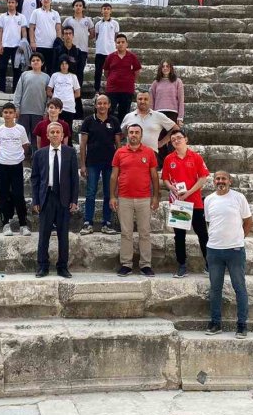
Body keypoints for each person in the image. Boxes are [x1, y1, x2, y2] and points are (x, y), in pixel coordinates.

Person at [204, 171, 253, 339]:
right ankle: (216, 323)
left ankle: (242, 325)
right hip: (214, 250)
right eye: (217, 179)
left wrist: (239, 239)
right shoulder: (209, 200)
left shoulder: (239, 198)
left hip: (235, 251)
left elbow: (248, 221)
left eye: (223, 179)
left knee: (239, 287)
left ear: (230, 181)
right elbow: (210, 222)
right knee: (215, 289)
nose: (220, 181)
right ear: (213, 181)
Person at [110, 123, 159, 277]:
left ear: (141, 135)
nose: (133, 135)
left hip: (144, 198)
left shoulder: (149, 152)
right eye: (131, 132)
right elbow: (113, 176)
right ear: (127, 134)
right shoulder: (120, 152)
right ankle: (126, 264)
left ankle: (145, 265)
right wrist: (112, 196)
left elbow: (154, 176)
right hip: (124, 198)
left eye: (136, 132)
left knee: (145, 232)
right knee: (126, 233)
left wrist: (156, 196)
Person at [32, 122, 78, 278]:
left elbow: (74, 179)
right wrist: (36, 200)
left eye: (58, 132)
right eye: (52, 132)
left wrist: (74, 200)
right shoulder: (40, 154)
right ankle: (42, 266)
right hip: (47, 196)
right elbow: (35, 179)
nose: (55, 134)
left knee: (63, 234)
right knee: (44, 234)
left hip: (64, 198)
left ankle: (62, 266)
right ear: (47, 135)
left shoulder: (70, 152)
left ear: (62, 135)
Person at [162, 129, 210, 278]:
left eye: (179, 138)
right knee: (180, 236)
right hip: (179, 203)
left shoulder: (195, 157)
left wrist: (188, 193)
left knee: (202, 234)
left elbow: (203, 178)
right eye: (173, 139)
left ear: (186, 139)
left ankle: (210, 265)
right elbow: (165, 179)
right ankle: (182, 265)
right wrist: (172, 188)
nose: (176, 141)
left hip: (195, 202)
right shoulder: (169, 159)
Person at [78, 94, 121, 235]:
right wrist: (83, 165)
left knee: (109, 193)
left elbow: (118, 145)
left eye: (105, 103)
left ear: (109, 105)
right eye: (99, 103)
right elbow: (83, 144)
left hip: (110, 164)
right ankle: (88, 223)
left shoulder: (114, 121)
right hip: (92, 163)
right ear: (95, 105)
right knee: (90, 193)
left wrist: (119, 166)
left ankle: (107, 223)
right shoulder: (88, 121)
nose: (102, 106)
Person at [0, 102, 30, 237]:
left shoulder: (21, 129)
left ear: (15, 114)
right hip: (2, 165)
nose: (8, 115)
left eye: (10, 112)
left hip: (17, 165)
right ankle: (6, 223)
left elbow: (25, 145)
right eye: (5, 112)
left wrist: (18, 156)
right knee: (4, 194)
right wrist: (3, 157)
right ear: (2, 114)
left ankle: (23, 224)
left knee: (18, 194)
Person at [150, 61, 185, 165]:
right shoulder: (156, 82)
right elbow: (152, 100)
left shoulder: (177, 82)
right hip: (158, 113)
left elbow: (181, 100)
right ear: (160, 68)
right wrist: (151, 115)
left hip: (172, 113)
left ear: (171, 68)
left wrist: (180, 117)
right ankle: (162, 164)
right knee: (159, 140)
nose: (165, 68)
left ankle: (173, 163)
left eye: (167, 66)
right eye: (163, 66)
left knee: (172, 140)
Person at [122, 92, 177, 157]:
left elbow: (175, 128)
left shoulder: (158, 116)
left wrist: (162, 142)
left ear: (150, 101)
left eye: (145, 99)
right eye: (140, 99)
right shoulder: (128, 116)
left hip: (151, 154)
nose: (142, 101)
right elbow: (122, 134)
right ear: (136, 100)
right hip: (131, 154)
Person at [103, 33, 141, 124]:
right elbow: (106, 72)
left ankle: (121, 135)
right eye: (118, 42)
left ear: (127, 44)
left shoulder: (132, 57)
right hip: (112, 90)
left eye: (123, 42)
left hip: (127, 90)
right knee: (109, 112)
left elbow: (137, 71)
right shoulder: (110, 57)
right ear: (115, 44)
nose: (120, 44)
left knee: (124, 114)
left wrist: (130, 80)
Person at [13, 52, 49, 141]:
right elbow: (18, 92)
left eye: (38, 60)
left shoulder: (47, 77)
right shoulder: (24, 75)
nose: (35, 62)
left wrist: (46, 112)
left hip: (39, 112)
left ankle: (35, 155)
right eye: (33, 60)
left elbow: (49, 97)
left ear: (42, 63)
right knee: (21, 138)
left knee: (36, 140)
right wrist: (16, 107)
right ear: (30, 63)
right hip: (23, 112)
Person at [0, 0, 28, 93]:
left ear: (16, 4)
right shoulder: (2, 16)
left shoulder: (22, 17)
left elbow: (24, 31)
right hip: (5, 46)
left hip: (17, 47)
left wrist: (24, 43)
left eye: (13, 2)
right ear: (7, 3)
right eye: (9, 2)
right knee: (2, 68)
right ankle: (2, 89)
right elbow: (0, 31)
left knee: (17, 70)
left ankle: (15, 91)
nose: (11, 4)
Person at [62, 0, 94, 91]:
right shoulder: (68, 20)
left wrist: (84, 38)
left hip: (83, 50)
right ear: (73, 7)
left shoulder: (88, 20)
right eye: (76, 5)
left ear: (83, 7)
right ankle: (68, 89)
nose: (78, 7)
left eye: (80, 5)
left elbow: (92, 33)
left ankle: (77, 91)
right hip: (71, 49)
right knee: (70, 70)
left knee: (80, 71)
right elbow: (62, 31)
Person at [28, 0, 61, 74]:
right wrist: (32, 42)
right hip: (39, 45)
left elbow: (58, 29)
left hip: (52, 46)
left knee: (51, 70)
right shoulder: (36, 12)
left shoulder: (55, 13)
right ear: (41, 0)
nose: (46, 0)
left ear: (51, 0)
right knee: (38, 69)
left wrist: (59, 42)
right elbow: (31, 28)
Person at [47, 55, 81, 129]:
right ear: (59, 65)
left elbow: (78, 93)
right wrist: (55, 99)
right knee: (54, 127)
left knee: (68, 128)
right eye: (62, 64)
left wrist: (69, 97)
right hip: (56, 107)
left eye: (66, 64)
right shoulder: (55, 75)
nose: (64, 66)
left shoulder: (73, 76)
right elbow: (49, 91)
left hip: (69, 106)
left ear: (69, 65)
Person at [93, 3, 120, 94]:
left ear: (111, 11)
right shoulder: (97, 24)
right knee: (98, 72)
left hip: (111, 52)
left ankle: (111, 88)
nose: (106, 10)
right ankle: (97, 89)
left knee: (112, 72)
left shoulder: (115, 23)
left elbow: (116, 37)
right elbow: (97, 37)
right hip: (100, 51)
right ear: (101, 10)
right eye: (104, 8)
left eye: (108, 9)